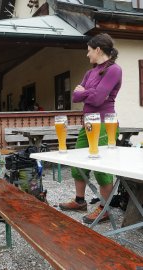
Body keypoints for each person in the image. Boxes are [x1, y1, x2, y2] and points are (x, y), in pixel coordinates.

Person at [58, 33, 122, 224]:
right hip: (87, 122)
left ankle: (105, 208)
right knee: (77, 160)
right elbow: (75, 97)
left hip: (104, 123)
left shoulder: (114, 70)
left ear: (98, 50)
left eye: (88, 51)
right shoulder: (89, 72)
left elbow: (97, 99)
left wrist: (85, 92)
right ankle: (80, 201)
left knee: (101, 167)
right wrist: (89, 93)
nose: (87, 55)